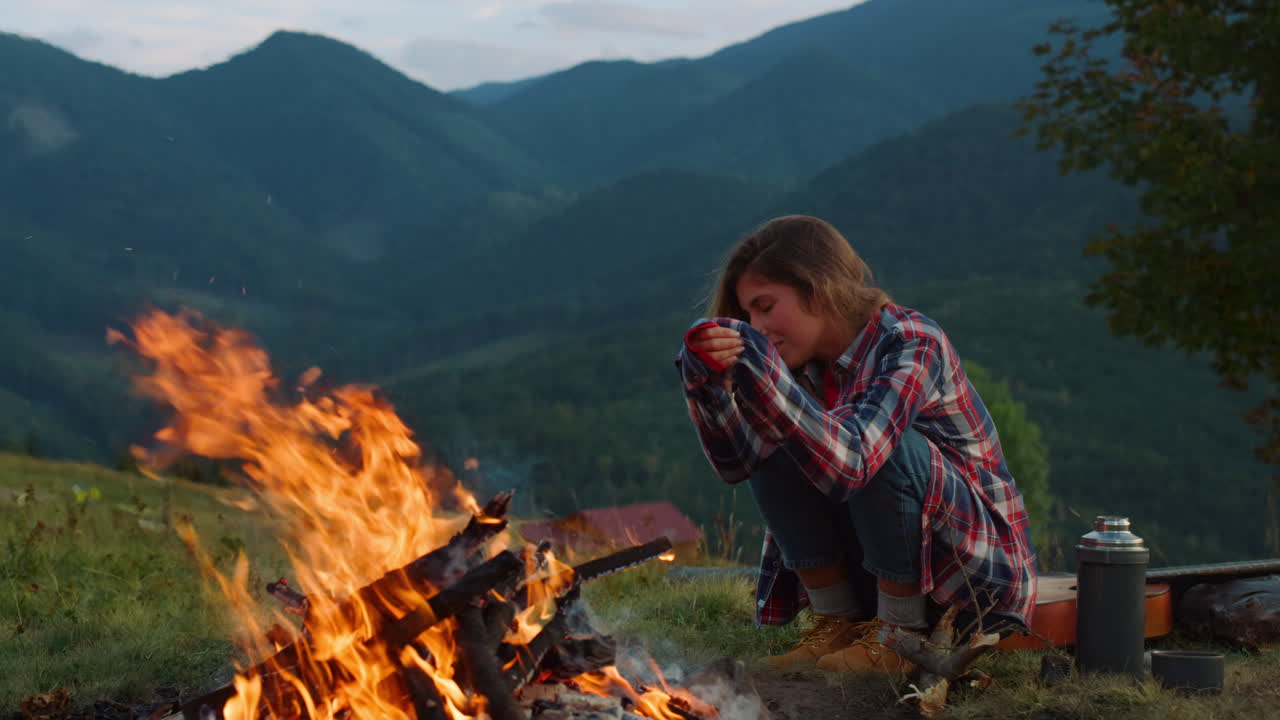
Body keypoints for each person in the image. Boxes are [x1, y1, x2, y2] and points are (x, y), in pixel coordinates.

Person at [676, 215, 1038, 673]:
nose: (757, 326)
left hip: (973, 581)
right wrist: (706, 380)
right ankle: (835, 625)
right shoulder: (802, 367)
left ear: (817, 289)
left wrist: (767, 382)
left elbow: (858, 462)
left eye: (766, 307)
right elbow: (735, 464)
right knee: (772, 438)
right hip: (878, 567)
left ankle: (897, 637)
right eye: (748, 315)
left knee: (886, 448)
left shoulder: (911, 342)